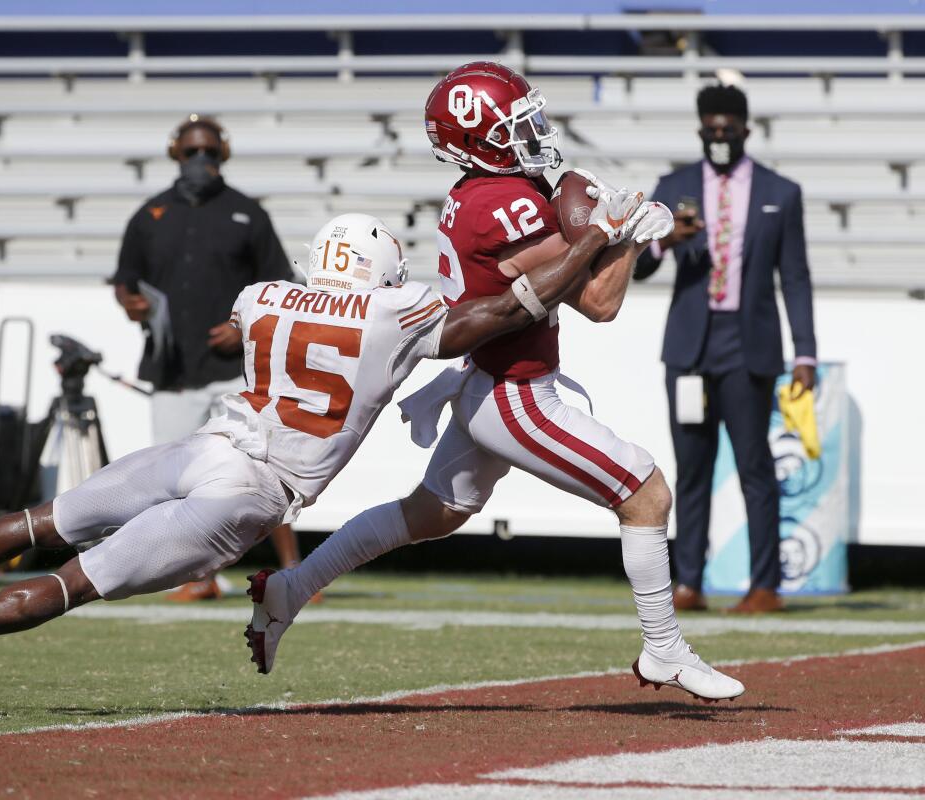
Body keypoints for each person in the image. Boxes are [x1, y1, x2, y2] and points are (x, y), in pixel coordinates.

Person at [0, 208, 618, 687]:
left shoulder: (265, 295)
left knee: (43, 519)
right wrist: (587, 247)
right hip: (250, 490)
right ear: (379, 271)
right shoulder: (396, 311)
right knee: (73, 583)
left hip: (202, 446)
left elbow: (247, 325)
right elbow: (498, 313)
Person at [245, 62, 744, 703]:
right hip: (513, 395)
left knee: (429, 514)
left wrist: (606, 225)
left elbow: (568, 251)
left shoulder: (480, 194)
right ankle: (664, 650)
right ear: (477, 141)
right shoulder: (501, 204)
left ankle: (290, 588)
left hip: (488, 379)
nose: (532, 133)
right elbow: (598, 302)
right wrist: (625, 238)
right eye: (516, 126)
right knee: (644, 492)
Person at [632, 83, 817, 615]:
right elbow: (637, 266)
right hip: (690, 346)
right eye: (711, 128)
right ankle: (688, 581)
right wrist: (665, 240)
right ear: (699, 130)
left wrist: (805, 352)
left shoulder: (781, 192)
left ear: (745, 130)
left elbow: (796, 278)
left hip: (748, 344)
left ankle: (765, 585)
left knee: (755, 467)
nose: (720, 136)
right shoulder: (674, 185)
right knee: (691, 470)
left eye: (728, 129)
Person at [110, 114, 302, 601]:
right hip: (174, 368)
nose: (201, 161)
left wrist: (241, 329)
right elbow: (125, 281)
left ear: (223, 155)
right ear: (176, 152)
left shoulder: (247, 214)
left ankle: (293, 570)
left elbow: (281, 288)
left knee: (261, 469)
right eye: (192, 152)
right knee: (177, 480)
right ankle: (199, 579)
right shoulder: (150, 215)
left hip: (233, 370)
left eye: (210, 153)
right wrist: (130, 303)